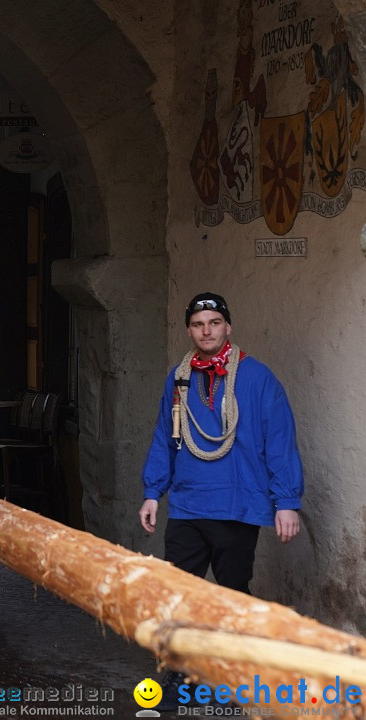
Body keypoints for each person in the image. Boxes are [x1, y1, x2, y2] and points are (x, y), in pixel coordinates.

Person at [139, 293, 303, 709]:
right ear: (190, 330)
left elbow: (279, 440)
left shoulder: (258, 377)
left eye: (214, 322)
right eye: (198, 324)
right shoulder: (178, 379)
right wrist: (152, 492)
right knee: (180, 593)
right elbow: (165, 436)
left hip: (237, 503)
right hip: (189, 505)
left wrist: (286, 500)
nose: (206, 330)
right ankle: (177, 678)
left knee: (232, 593)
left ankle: (233, 677)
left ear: (227, 326)